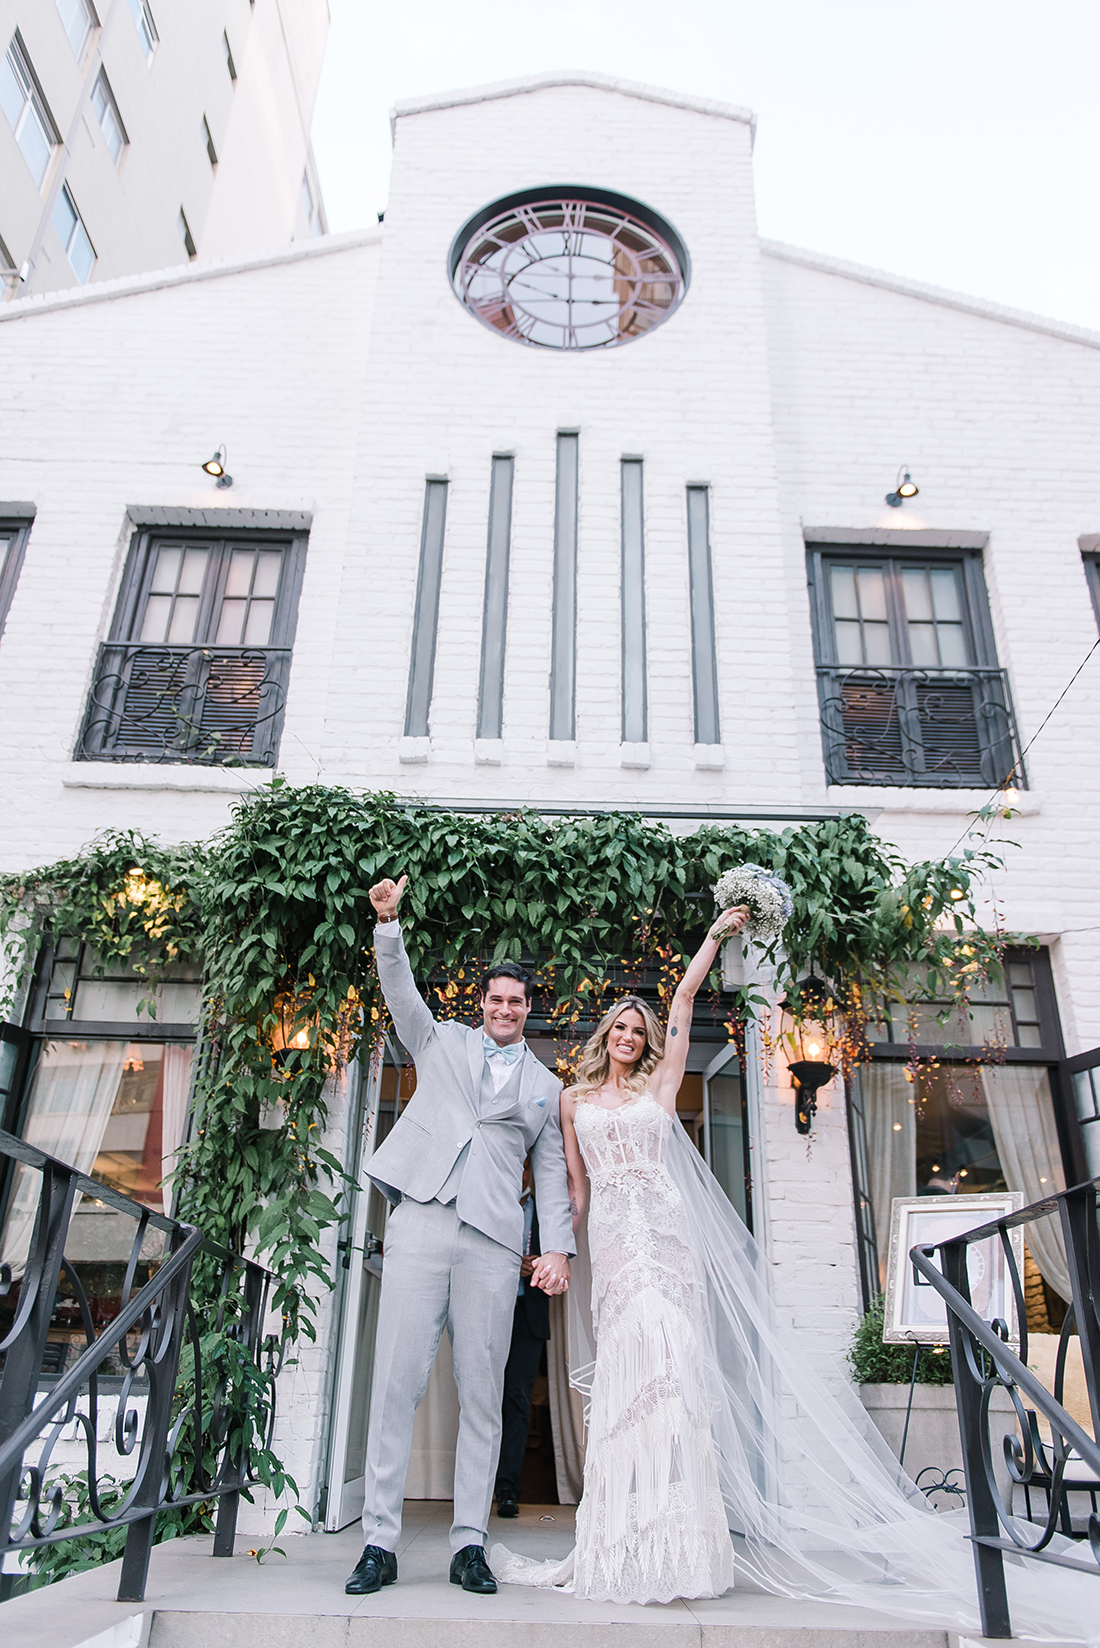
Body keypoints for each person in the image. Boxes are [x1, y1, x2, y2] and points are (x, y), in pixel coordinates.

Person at [490, 909, 1100, 1645]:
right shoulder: (573, 1101)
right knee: (629, 1383)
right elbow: (577, 1191)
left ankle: (677, 1546)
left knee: (674, 1378)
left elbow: (683, 1002)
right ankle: (622, 1543)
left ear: (646, 1042)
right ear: (603, 1037)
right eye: (618, 1029)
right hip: (617, 1249)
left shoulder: (660, 1087)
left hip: (668, 1242)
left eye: (636, 1031)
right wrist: (551, 1242)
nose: (627, 1038)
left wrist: (715, 938)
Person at [345, 874, 574, 1600]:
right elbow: (400, 992)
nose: (505, 1009)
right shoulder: (438, 1041)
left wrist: (557, 1248)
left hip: (495, 1245)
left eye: (517, 1001)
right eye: (495, 999)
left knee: (483, 1395)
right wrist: (388, 925)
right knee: (397, 1383)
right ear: (482, 1005)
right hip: (420, 1223)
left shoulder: (547, 1087)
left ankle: (469, 1542)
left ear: (529, 1010)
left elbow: (553, 1176)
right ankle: (379, 1541)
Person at [493, 1166, 551, 1519]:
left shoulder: (549, 1208)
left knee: (517, 1400)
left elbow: (565, 1252)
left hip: (530, 1315)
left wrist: (541, 1264)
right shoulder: (495, 1199)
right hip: (491, 1308)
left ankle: (507, 1490)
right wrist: (512, 1263)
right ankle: (476, 1487)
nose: (524, 1169)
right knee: (481, 1398)